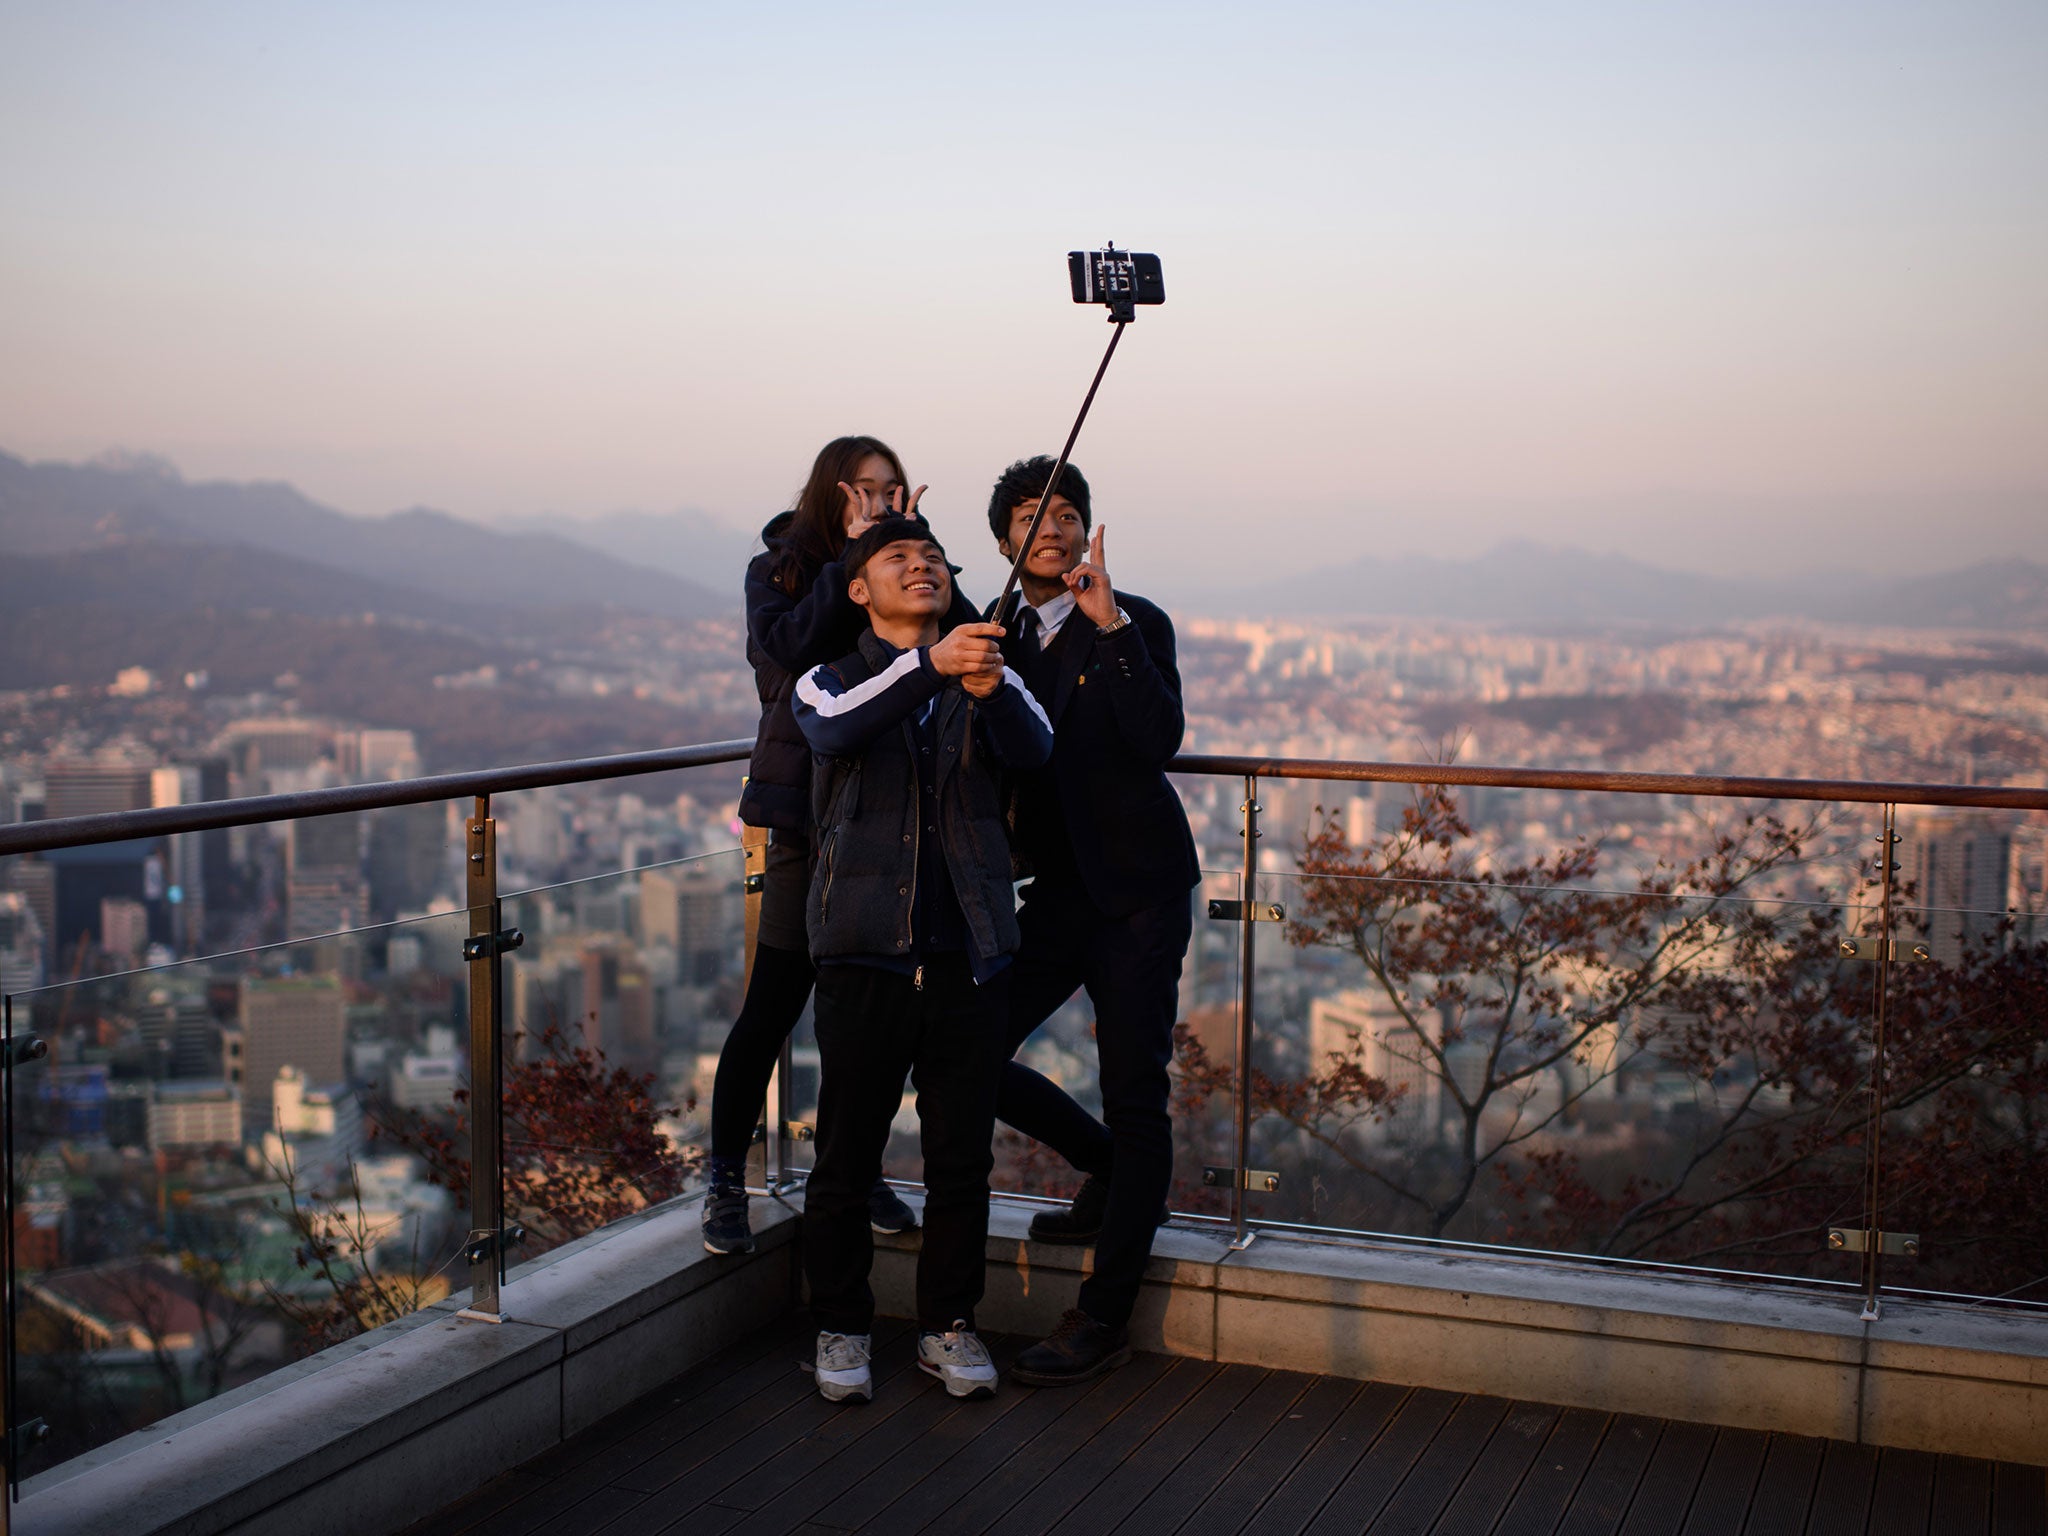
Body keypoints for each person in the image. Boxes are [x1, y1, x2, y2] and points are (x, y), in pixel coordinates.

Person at [791, 514, 1052, 1403]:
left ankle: (950, 1324)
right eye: (898, 558)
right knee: (845, 1156)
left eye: (934, 559)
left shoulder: (985, 673)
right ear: (858, 590)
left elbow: (1037, 749)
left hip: (969, 951)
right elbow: (831, 732)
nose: (923, 568)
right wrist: (928, 669)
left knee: (960, 1160)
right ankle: (840, 1325)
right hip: (864, 951)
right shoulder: (827, 680)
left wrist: (987, 688)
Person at [705, 436, 966, 1255]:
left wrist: (918, 555)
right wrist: (858, 556)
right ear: (832, 491)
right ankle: (724, 1176)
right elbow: (787, 652)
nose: (883, 501)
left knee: (865, 1013)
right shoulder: (778, 570)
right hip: (800, 817)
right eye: (867, 488)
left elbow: (962, 640)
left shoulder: (906, 561)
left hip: (885, 817)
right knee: (776, 1001)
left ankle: (854, 1167)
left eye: (894, 490)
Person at [982, 456, 1200, 1386]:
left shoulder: (1133, 619)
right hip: (1058, 891)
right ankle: (1110, 1172)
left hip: (1142, 889)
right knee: (963, 1045)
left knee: (1135, 1086)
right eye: (1033, 516)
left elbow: (1159, 740)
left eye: (1068, 514)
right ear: (1005, 541)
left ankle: (1101, 1315)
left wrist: (1108, 624)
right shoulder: (990, 634)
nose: (1055, 530)